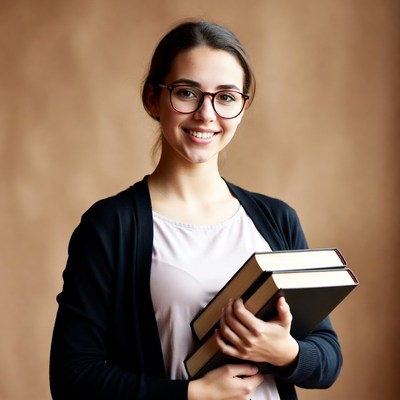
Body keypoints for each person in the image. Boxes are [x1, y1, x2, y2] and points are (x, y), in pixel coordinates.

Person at [49, 20, 343, 400]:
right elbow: (71, 377)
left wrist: (286, 353)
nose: (207, 114)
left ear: (242, 105)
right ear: (153, 99)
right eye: (187, 93)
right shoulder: (111, 226)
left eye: (226, 96)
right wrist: (189, 395)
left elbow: (328, 357)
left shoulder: (276, 219)